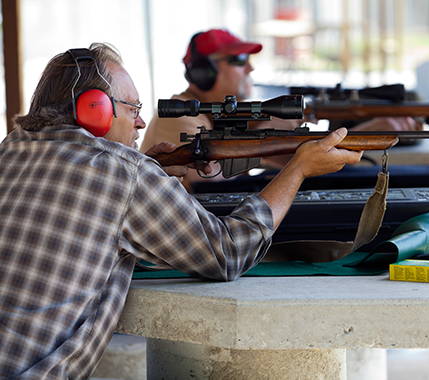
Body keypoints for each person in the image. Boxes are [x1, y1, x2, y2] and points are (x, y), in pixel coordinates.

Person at [0, 42, 361, 379]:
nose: (140, 123)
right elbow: (227, 253)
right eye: (133, 109)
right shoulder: (125, 174)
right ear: (95, 108)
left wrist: (144, 170)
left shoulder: (9, 151)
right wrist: (297, 169)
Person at [140, 28, 420, 190]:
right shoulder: (180, 114)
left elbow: (303, 164)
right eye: (238, 59)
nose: (250, 66)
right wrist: (267, 144)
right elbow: (208, 181)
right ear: (203, 72)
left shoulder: (221, 116)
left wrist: (277, 142)